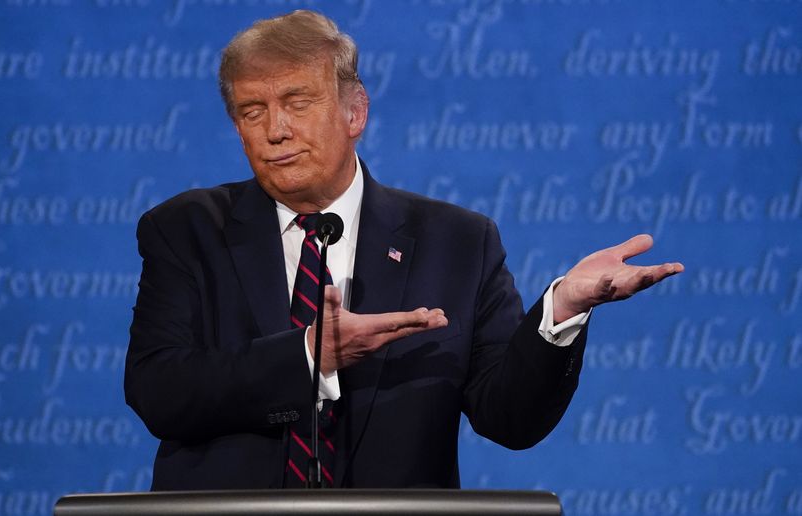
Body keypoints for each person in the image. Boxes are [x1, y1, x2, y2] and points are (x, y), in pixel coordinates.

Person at [124, 10, 683, 490]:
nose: (275, 130)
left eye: (297, 102)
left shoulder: (458, 242)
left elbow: (509, 419)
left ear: (354, 113)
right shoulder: (187, 230)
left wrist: (560, 311)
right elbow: (159, 390)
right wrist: (307, 356)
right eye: (252, 111)